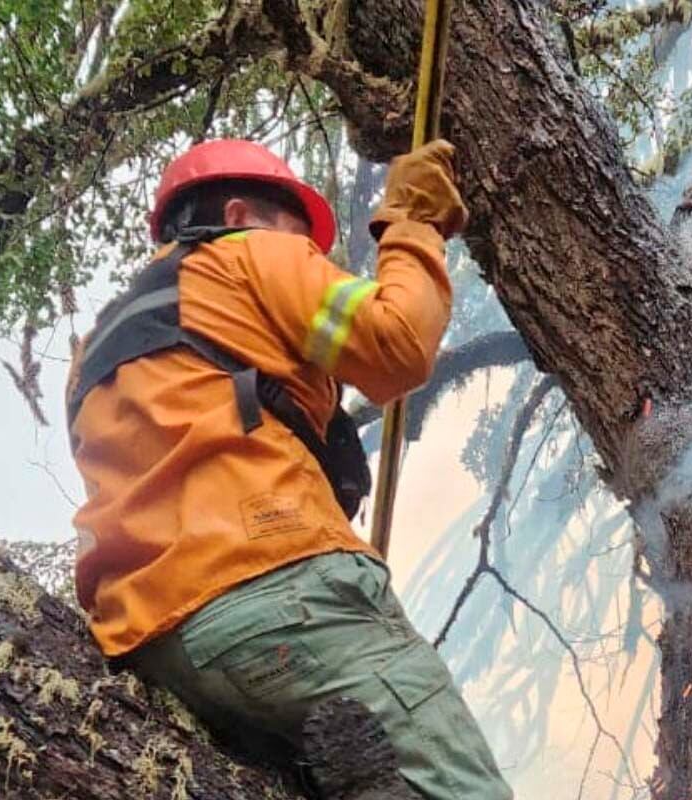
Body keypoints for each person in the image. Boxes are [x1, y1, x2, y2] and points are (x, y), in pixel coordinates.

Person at [65, 138, 513, 800]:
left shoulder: (94, 355)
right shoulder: (246, 254)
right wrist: (413, 222)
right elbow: (397, 346)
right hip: (274, 593)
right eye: (303, 241)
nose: (314, 261)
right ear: (242, 213)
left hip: (154, 640)